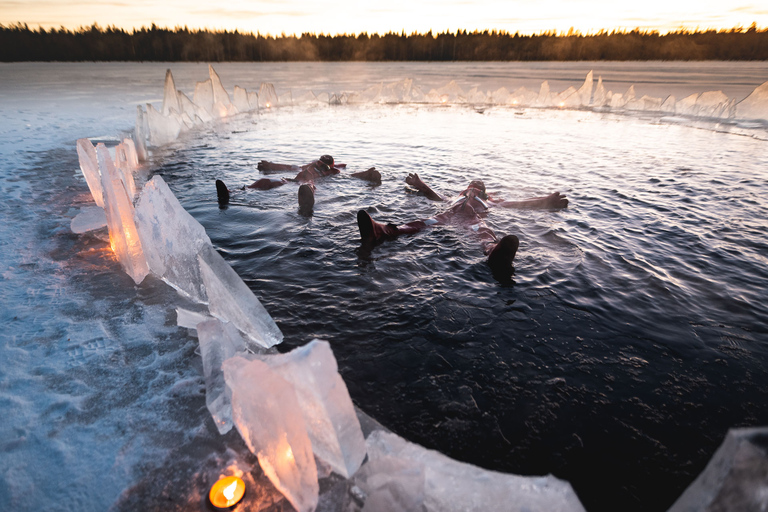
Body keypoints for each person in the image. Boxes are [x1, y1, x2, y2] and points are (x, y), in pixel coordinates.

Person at [357, 173, 568, 275]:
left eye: (479, 186)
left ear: (484, 191)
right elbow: (435, 196)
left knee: (483, 232)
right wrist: (420, 184)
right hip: (448, 215)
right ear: (465, 188)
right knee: (420, 223)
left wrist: (544, 201)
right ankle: (381, 231)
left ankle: (495, 252)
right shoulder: (454, 198)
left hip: (472, 218)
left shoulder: (489, 200)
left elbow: (515, 204)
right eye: (471, 185)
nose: (474, 187)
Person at [216, 155, 381, 211]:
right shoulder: (309, 166)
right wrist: (270, 165)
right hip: (291, 182)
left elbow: (350, 176)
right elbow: (290, 167)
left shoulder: (333, 172)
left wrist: (366, 174)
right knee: (266, 181)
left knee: (309, 185)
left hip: (308, 184)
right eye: (317, 163)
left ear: (328, 166)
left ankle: (306, 202)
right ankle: (234, 192)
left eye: (322, 165)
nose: (318, 166)